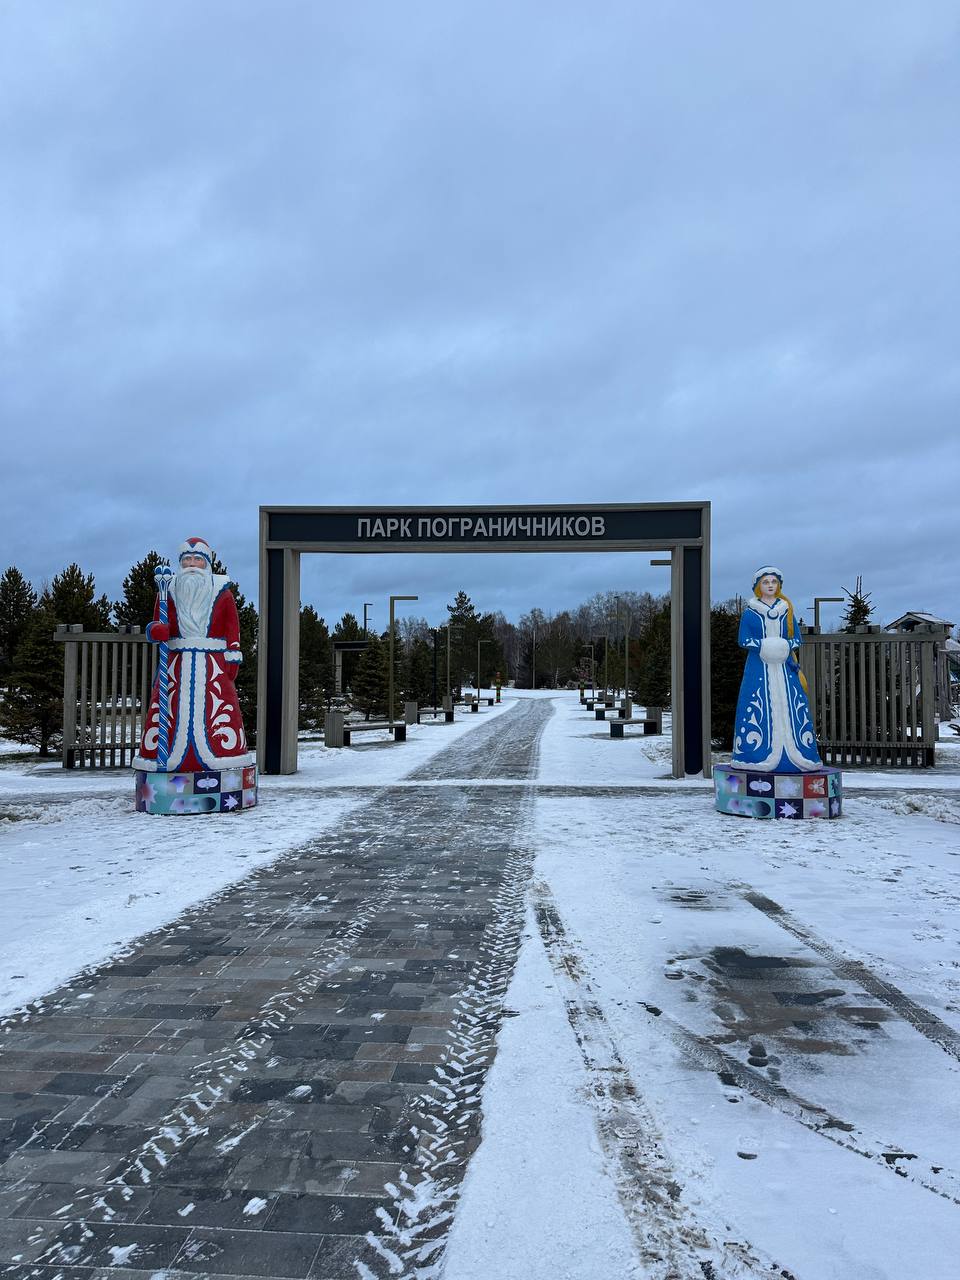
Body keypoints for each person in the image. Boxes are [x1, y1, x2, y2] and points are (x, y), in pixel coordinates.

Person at [132, 537, 255, 773]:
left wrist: (233, 652)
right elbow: (160, 623)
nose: (191, 564)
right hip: (177, 662)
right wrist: (157, 630)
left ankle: (223, 755)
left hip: (213, 663)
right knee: (169, 709)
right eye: (186, 559)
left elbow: (231, 625)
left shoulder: (221, 591)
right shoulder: (167, 590)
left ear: (206, 562)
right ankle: (165, 761)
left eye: (197, 559)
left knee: (217, 710)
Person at [732, 566, 822, 772]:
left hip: (785, 668)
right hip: (758, 668)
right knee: (756, 705)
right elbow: (743, 639)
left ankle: (799, 753)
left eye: (773, 582)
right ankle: (755, 756)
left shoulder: (786, 610)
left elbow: (796, 638)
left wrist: (784, 647)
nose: (770, 586)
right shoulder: (750, 613)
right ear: (758, 587)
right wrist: (764, 646)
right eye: (766, 582)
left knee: (793, 708)